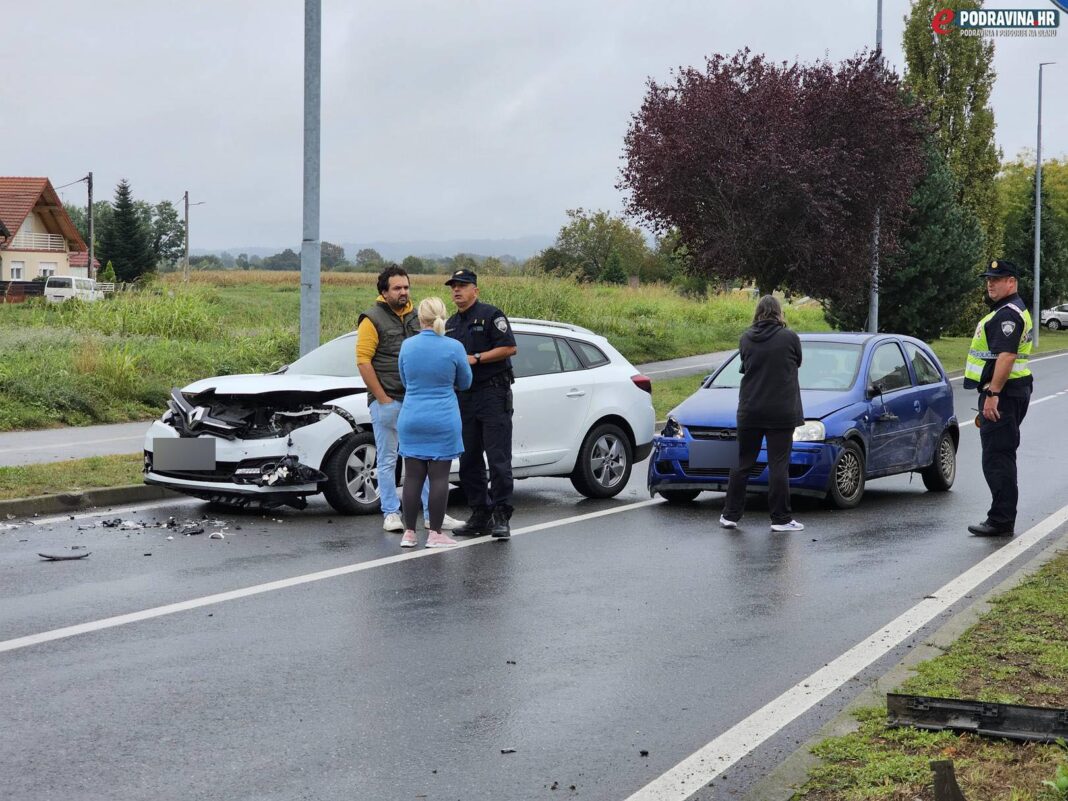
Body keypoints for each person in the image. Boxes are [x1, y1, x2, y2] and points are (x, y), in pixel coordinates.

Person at [356, 265, 463, 533]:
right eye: (397, 288)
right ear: (384, 291)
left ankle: (432, 514)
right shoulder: (371, 319)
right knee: (388, 458)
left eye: (406, 287)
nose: (403, 292)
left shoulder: (419, 316)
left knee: (422, 459)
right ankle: (391, 512)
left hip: (416, 402)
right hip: (388, 400)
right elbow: (363, 361)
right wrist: (382, 398)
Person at [719, 295, 805, 533]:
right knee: (778, 465)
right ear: (779, 313)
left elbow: (745, 366)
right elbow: (798, 361)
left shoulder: (746, 338)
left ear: (757, 313)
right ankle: (780, 519)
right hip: (781, 412)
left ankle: (730, 515)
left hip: (750, 410)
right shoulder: (789, 337)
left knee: (742, 463)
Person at [443, 269, 518, 539]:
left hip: (492, 393)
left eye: (462, 285)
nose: (456, 290)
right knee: (469, 459)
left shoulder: (490, 315)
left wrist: (475, 357)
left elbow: (509, 347)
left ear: (475, 289)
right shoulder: (450, 324)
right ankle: (480, 513)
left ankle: (501, 514)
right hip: (464, 396)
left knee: (498, 458)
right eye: (453, 286)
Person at [397, 297, 473, 548]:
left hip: (412, 416)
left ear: (420, 318)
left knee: (412, 477)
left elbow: (405, 380)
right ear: (444, 316)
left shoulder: (407, 346)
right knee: (439, 478)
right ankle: (435, 533)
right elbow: (465, 382)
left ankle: (409, 533)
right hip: (442, 417)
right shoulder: (454, 347)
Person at [964, 259, 1033, 537]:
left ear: (1011, 282)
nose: (990, 283)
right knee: (1000, 455)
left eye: (997, 278)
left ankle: (1001, 520)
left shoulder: (1007, 314)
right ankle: (1002, 517)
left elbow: (1007, 356)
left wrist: (993, 393)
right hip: (1012, 391)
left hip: (1003, 395)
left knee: (998, 458)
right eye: (989, 279)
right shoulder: (1011, 310)